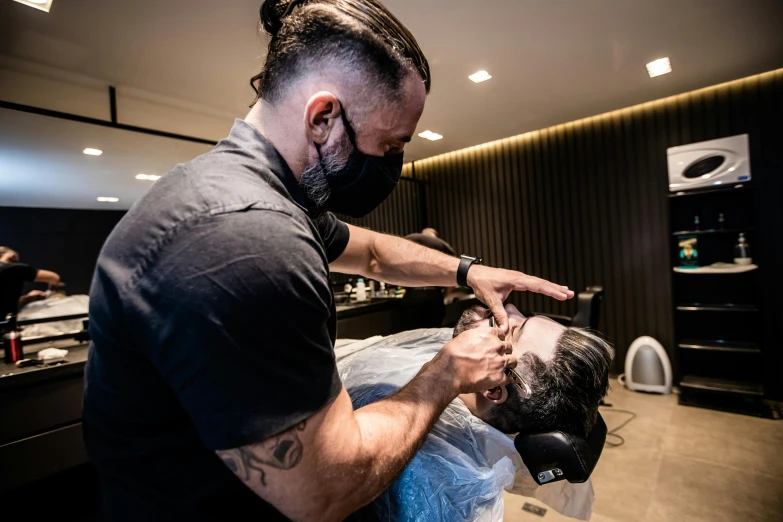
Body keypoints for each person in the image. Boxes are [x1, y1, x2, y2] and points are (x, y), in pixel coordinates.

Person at [83, 2, 574, 521]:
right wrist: (447, 371)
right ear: (323, 118)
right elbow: (323, 490)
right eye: (389, 145)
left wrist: (466, 270)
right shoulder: (247, 237)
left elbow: (376, 254)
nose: (390, 165)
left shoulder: (272, 196)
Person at [0, 246, 64, 321]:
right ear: (13, 257)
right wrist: (54, 287)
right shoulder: (13, 268)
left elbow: (4, 302)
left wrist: (25, 299)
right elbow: (54, 278)